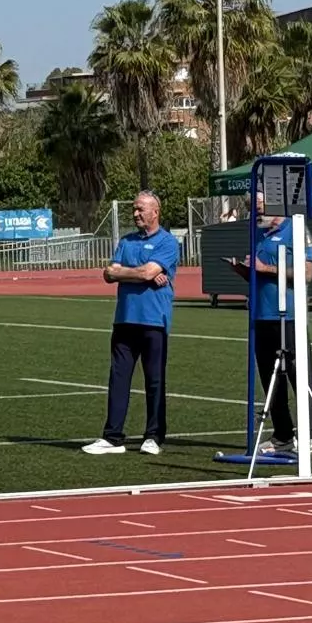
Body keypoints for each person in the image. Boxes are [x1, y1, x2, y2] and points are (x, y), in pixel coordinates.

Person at [226, 193, 312, 456]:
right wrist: (244, 270)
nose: (255, 212)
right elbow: (259, 273)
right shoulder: (260, 234)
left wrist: (265, 269)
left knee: (300, 374)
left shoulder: (295, 230)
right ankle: (282, 434)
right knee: (270, 378)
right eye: (252, 208)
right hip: (261, 316)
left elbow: (306, 274)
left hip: (290, 317)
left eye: (259, 206)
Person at [83, 190, 179, 456]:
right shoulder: (126, 241)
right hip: (124, 319)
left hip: (154, 321)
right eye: (134, 209)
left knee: (155, 380)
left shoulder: (168, 243)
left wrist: (130, 272)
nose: (135, 214)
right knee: (118, 378)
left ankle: (154, 436)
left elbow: (145, 271)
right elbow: (109, 273)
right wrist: (140, 274)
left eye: (140, 209)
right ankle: (112, 437)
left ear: (155, 212)